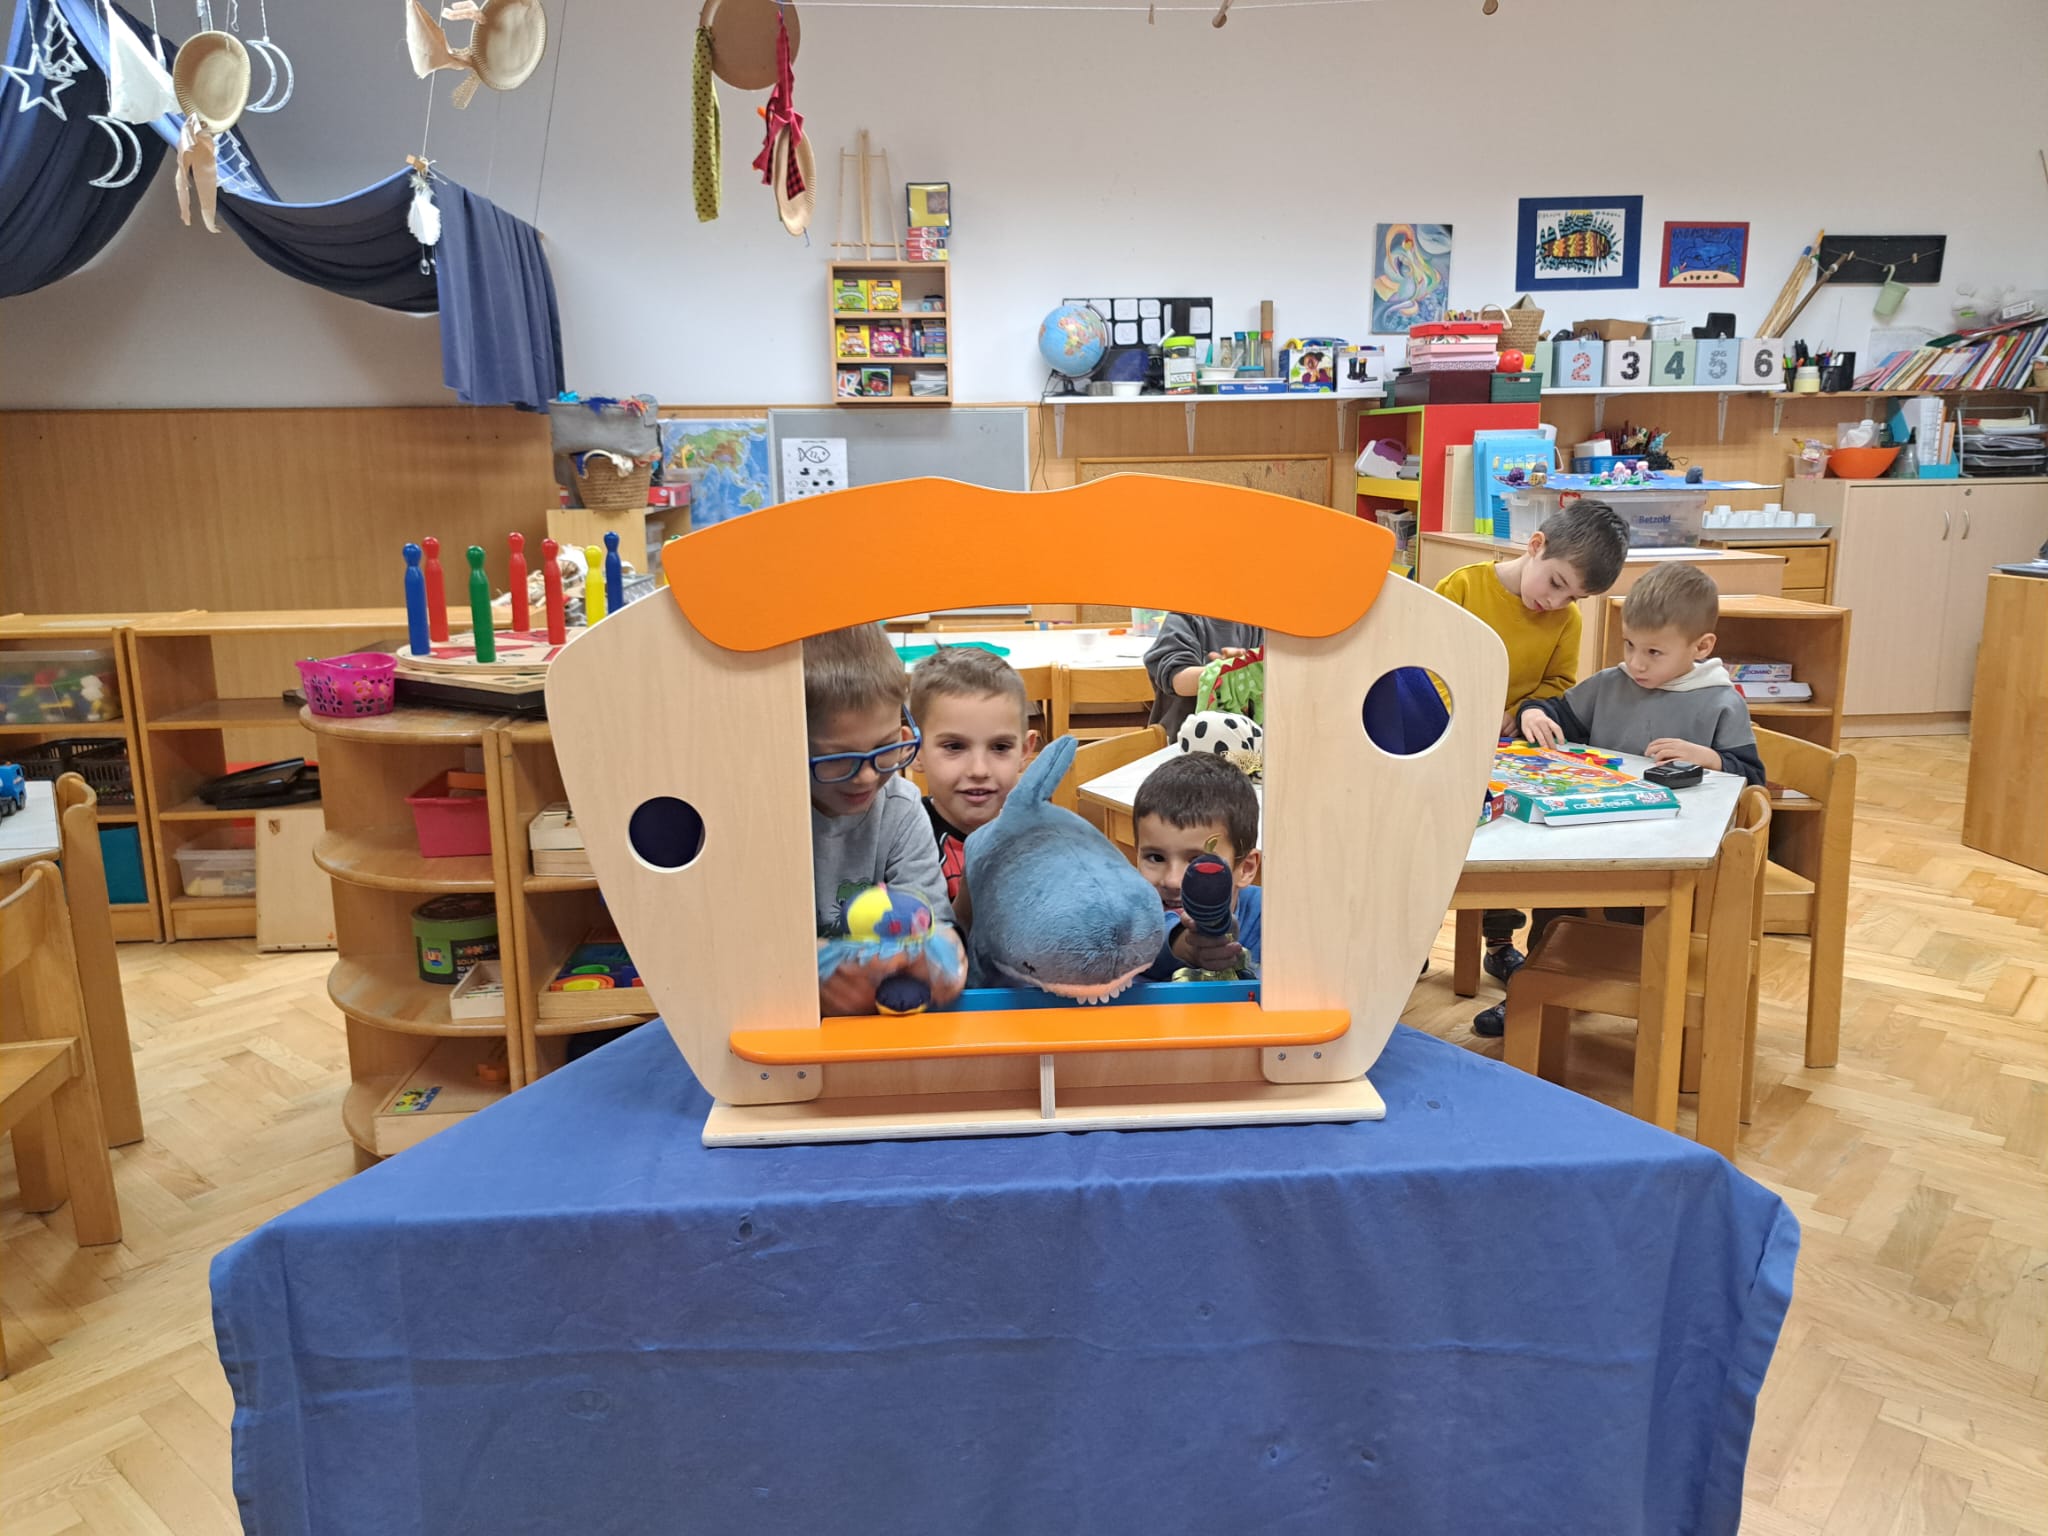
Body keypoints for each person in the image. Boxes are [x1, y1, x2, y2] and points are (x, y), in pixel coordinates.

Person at [1435, 498, 1631, 1030]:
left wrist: (1521, 711)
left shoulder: (1565, 620)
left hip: (1513, 751)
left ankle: (1501, 944)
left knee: (1513, 841)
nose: (1556, 602)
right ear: (1536, 545)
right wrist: (1470, 718)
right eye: (1556, 583)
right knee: (1443, 840)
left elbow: (1559, 686)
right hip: (1445, 739)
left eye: (1574, 597)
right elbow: (1426, 667)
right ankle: (1413, 941)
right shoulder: (1463, 588)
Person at [804, 624, 964, 1015]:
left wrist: (941, 956)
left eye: (886, 748)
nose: (866, 777)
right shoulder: (767, 818)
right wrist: (803, 972)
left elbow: (932, 920)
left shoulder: (901, 807)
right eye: (838, 758)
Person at [1519, 560, 1765, 782]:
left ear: (1701, 647)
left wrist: (1711, 759)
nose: (1636, 663)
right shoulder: (1607, 685)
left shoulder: (1722, 703)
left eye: (1653, 652)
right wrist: (1533, 714)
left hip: (1684, 816)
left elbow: (1753, 778)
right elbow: (1553, 714)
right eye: (1629, 644)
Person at [908, 646, 1039, 908]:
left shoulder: (1038, 837)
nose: (979, 770)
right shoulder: (903, 841)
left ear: (1025, 750)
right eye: (954, 747)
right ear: (916, 749)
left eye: (1000, 747)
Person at [1129, 753, 1263, 981]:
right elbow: (1148, 939)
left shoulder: (1270, 914)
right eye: (1156, 858)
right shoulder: (1127, 916)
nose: (1172, 881)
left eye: (1197, 862)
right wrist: (1187, 945)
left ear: (1246, 868)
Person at [1143, 612, 1263, 738]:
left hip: (1245, 739)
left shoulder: (1257, 624)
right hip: (1184, 740)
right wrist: (1225, 672)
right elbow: (1179, 681)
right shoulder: (1183, 618)